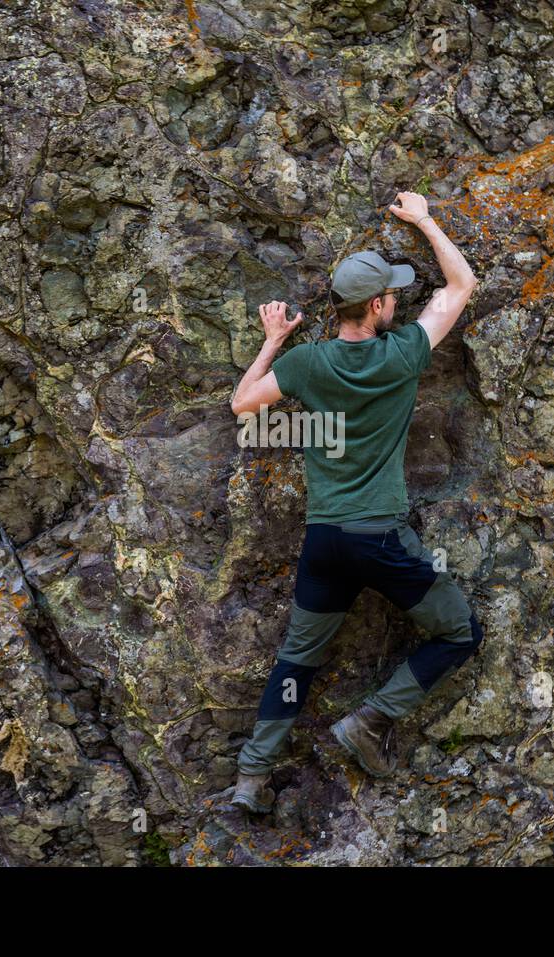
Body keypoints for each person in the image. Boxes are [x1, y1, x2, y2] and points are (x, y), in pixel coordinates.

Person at [225, 190, 483, 813]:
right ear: (375, 308)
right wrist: (423, 219)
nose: (399, 300)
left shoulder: (310, 363)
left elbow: (242, 405)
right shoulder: (402, 355)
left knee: (297, 661)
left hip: (325, 544)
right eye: (393, 295)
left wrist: (273, 340)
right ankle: (369, 720)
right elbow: (461, 284)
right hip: (381, 539)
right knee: (460, 631)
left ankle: (251, 778)